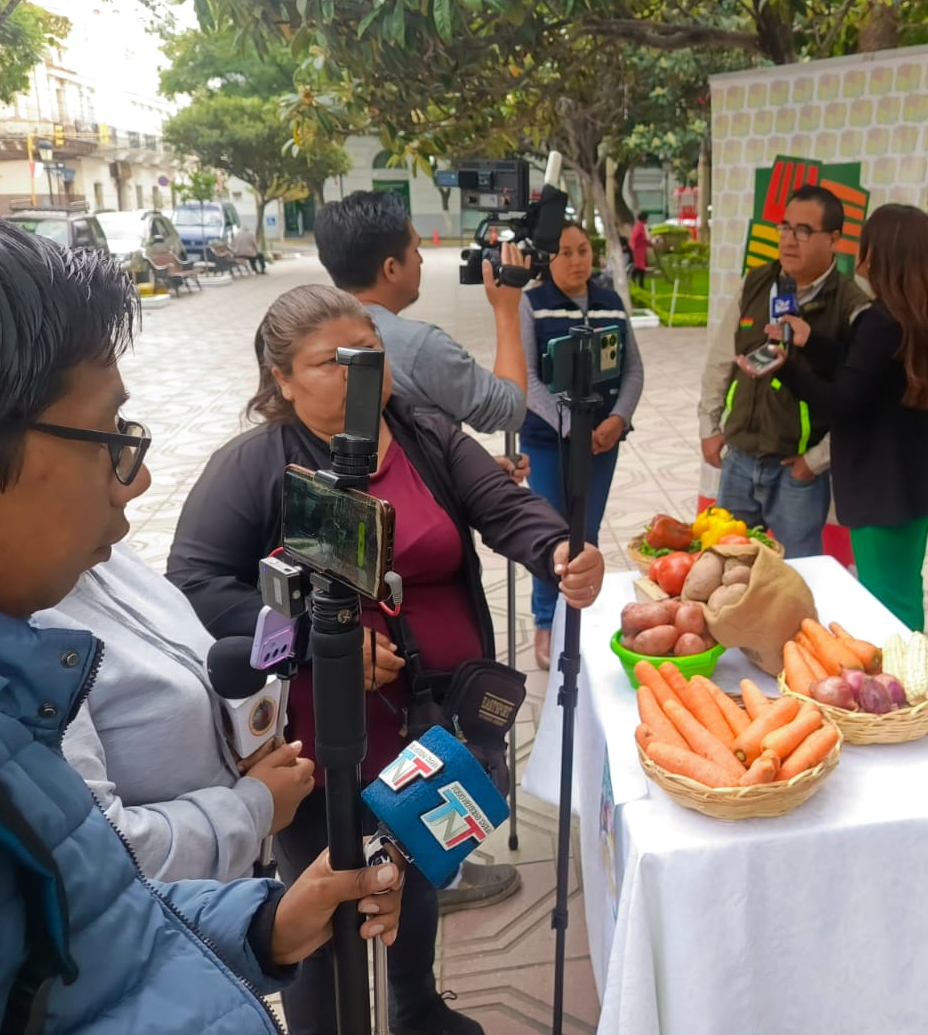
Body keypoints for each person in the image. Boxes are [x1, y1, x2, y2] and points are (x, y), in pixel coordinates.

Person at [0, 206, 404, 1033]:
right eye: (105, 436)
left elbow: (80, 932)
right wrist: (243, 814)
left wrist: (261, 922)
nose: (131, 479)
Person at [167, 284, 606, 1035]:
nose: (360, 371)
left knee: (422, 861)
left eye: (369, 352)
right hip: (320, 731)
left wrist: (558, 547)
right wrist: (312, 640)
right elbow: (195, 579)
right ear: (281, 379)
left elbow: (503, 510)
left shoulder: (427, 434)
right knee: (327, 896)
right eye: (331, 362)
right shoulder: (256, 464)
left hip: (434, 714)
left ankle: (417, 1007)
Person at [40, 542, 316, 883]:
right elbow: (95, 853)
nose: (139, 486)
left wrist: (245, 741)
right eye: (117, 481)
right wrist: (253, 809)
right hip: (162, 923)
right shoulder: (29, 636)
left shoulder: (101, 551)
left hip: (226, 900)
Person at [743, 203, 928, 630]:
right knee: (903, 587)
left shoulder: (882, 320)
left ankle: (905, 685)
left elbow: (841, 400)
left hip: (885, 488)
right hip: (919, 482)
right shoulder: (924, 315)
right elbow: (869, 373)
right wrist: (811, 341)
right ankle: (908, 673)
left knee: (887, 603)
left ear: (880, 253)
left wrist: (786, 366)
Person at [698, 184, 868, 558]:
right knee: (725, 569)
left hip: (797, 472)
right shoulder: (757, 282)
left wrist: (815, 461)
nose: (790, 241)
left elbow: (860, 400)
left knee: (794, 578)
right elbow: (720, 360)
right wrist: (709, 428)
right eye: (785, 228)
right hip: (739, 460)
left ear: (834, 239)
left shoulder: (852, 305)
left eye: (804, 231)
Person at [520, 221, 643, 667]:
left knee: (585, 533)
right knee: (554, 535)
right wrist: (571, 425)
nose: (577, 260)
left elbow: (633, 372)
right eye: (565, 252)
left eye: (584, 250)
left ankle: (578, 622)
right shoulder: (531, 305)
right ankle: (546, 622)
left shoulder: (611, 302)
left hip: (601, 444)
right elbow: (528, 379)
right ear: (548, 259)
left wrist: (617, 419)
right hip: (551, 443)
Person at [316, 189, 529, 435]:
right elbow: (508, 411)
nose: (421, 261)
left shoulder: (304, 337)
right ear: (391, 268)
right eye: (416, 250)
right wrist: (507, 311)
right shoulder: (419, 347)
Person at [629, 210, 650, 288]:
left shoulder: (642, 226)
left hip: (641, 249)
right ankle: (637, 281)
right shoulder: (639, 226)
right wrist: (633, 246)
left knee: (640, 266)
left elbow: (645, 238)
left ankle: (635, 280)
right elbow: (634, 237)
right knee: (640, 266)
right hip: (638, 249)